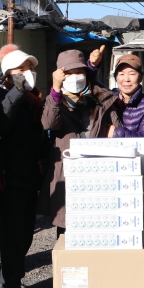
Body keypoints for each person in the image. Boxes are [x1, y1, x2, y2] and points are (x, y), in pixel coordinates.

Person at [37, 49, 122, 237]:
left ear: (86, 73)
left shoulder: (103, 98)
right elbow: (49, 123)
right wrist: (55, 90)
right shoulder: (54, 101)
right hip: (67, 173)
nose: (74, 77)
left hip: (98, 173)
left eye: (79, 72)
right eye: (68, 73)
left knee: (98, 230)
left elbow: (119, 132)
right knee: (67, 232)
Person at [0, 45, 44, 288]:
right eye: (21, 69)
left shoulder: (31, 98)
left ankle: (8, 284)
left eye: (30, 68)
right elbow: (1, 122)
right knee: (13, 237)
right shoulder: (0, 94)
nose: (28, 73)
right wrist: (18, 90)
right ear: (8, 74)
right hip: (10, 178)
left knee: (24, 235)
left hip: (28, 175)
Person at [111, 54, 144, 141]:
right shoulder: (109, 100)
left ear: (141, 77)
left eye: (132, 74)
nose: (126, 79)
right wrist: (93, 66)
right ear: (116, 78)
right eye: (121, 74)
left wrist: (117, 133)